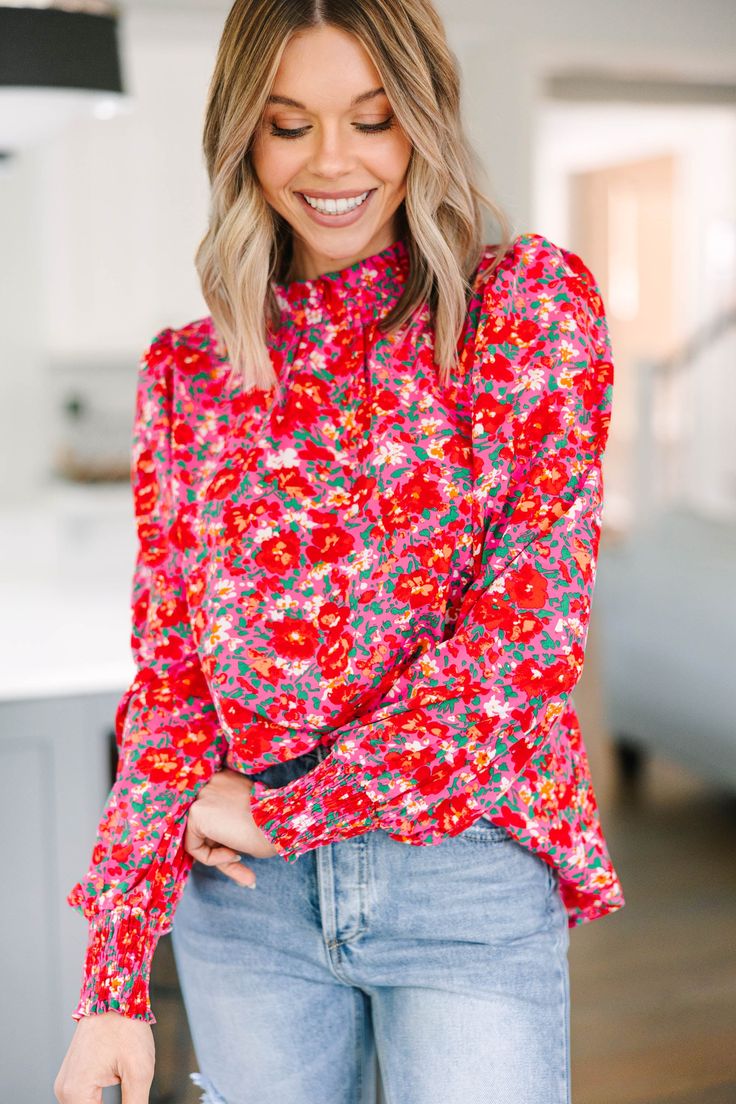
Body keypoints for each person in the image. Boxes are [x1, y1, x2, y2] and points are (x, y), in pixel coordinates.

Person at [54, 2, 626, 1102]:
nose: (331, 163)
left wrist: (280, 811)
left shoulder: (527, 310)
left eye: (371, 119)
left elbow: (523, 645)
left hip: (458, 874)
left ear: (424, 120)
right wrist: (113, 983)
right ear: (240, 140)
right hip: (244, 913)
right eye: (286, 124)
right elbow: (171, 682)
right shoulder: (187, 375)